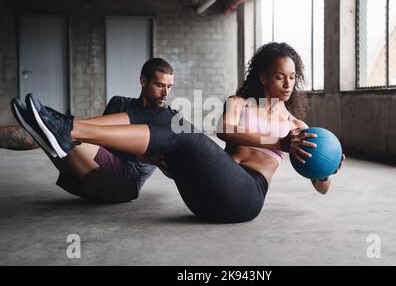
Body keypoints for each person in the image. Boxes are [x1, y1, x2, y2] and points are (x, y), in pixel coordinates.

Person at [17, 42, 345, 223]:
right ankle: (66, 129)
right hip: (203, 200)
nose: (287, 84)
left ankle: (66, 129)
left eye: (291, 78)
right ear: (263, 77)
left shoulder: (296, 127)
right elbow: (225, 131)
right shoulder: (239, 103)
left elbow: (321, 186)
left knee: (178, 127)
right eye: (279, 76)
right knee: (167, 120)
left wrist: (328, 169)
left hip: (245, 197)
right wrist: (279, 142)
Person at [3, 58, 176, 204]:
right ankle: (46, 131)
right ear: (143, 81)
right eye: (160, 85)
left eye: (169, 87)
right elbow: (96, 137)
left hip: (123, 185)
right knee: (53, 134)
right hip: (89, 174)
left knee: (65, 134)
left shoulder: (164, 118)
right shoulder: (119, 103)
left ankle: (51, 128)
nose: (165, 93)